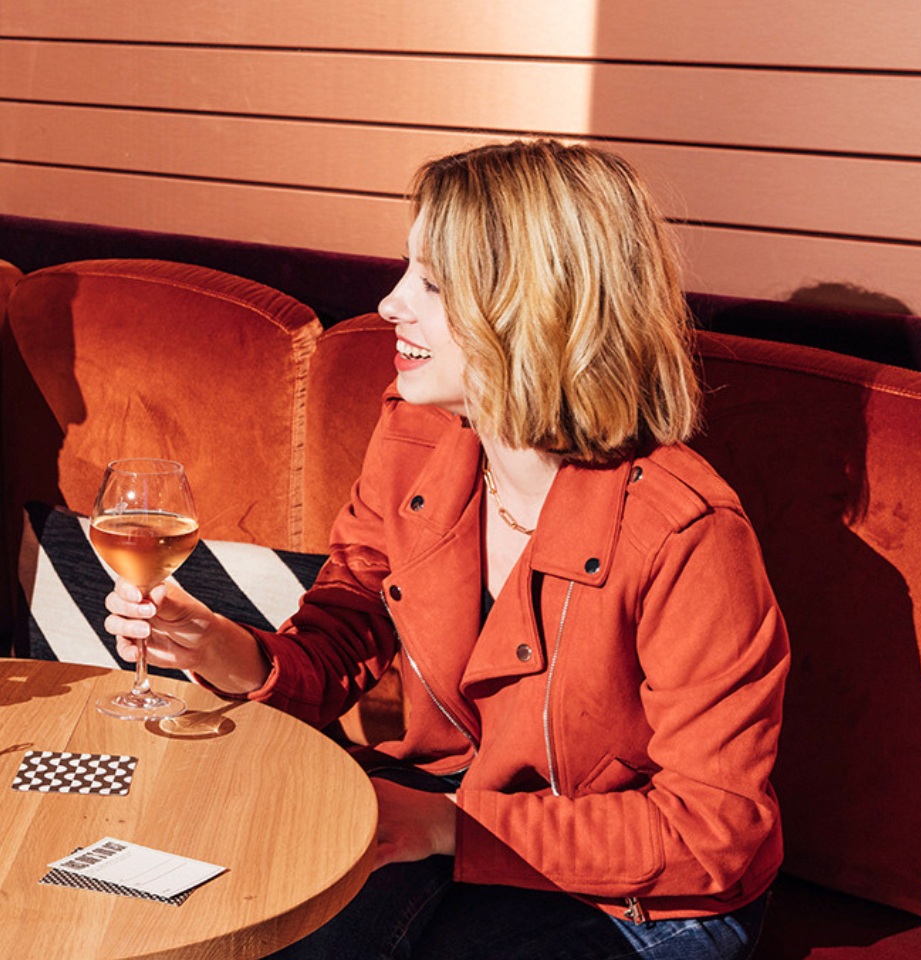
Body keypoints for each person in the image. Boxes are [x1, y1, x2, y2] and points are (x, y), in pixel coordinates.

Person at [105, 139, 789, 959]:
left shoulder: (691, 532)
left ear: (538, 307)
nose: (392, 305)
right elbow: (345, 630)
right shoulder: (414, 430)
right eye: (407, 271)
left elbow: (714, 834)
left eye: (431, 283)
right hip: (438, 822)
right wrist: (231, 651)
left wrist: (447, 824)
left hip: (643, 900)